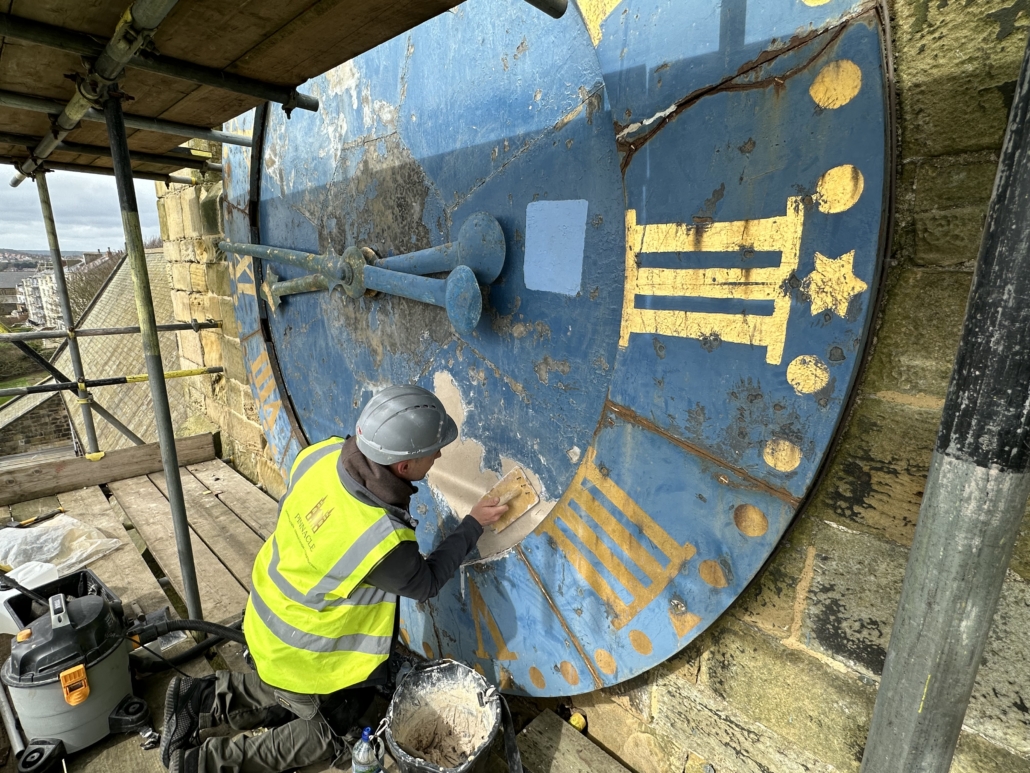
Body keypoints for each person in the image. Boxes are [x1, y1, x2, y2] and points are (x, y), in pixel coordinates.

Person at [161, 385, 508, 773]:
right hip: (304, 651)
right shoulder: (380, 539)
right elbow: (426, 583)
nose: (439, 455)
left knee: (287, 689)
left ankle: (201, 698)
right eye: (432, 451)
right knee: (330, 732)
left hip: (266, 618)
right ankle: (201, 764)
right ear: (403, 467)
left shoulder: (324, 454)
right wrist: (473, 524)